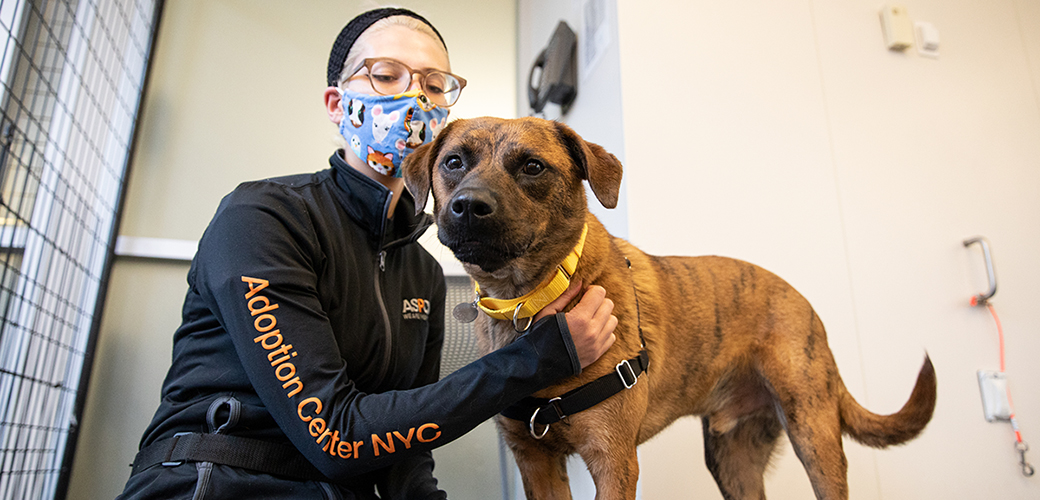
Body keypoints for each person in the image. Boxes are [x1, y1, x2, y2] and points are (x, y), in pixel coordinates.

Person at [116, 7, 616, 500]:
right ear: (337, 104)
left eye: (434, 84)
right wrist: (536, 359)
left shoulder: (420, 270)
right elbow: (335, 438)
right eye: (385, 75)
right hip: (217, 482)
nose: (413, 96)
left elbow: (405, 457)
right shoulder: (262, 219)